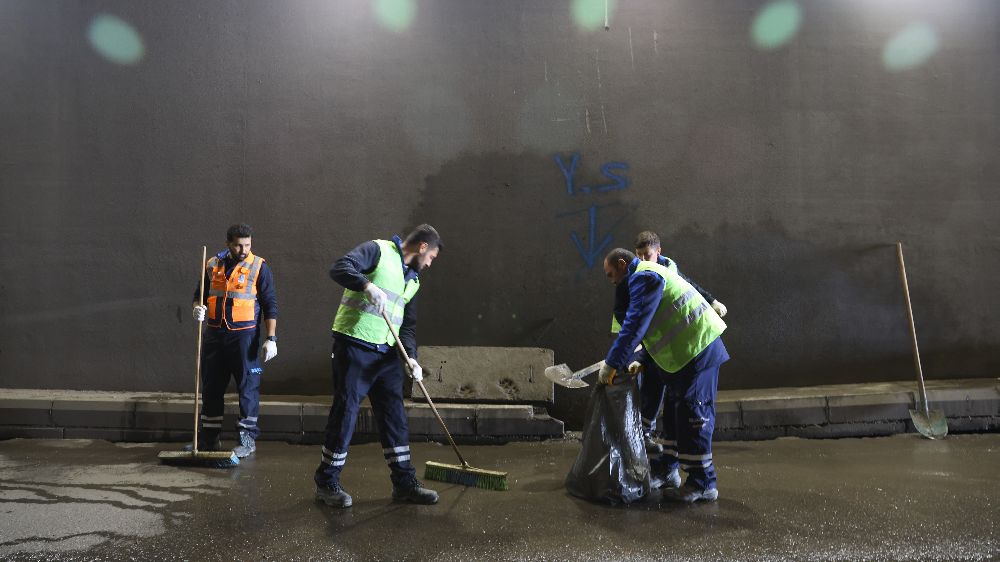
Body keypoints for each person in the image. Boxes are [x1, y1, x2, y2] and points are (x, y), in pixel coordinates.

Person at [314, 224, 442, 508]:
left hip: (386, 355)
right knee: (346, 413)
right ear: (422, 247)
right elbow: (340, 267)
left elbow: (407, 327)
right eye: (431, 257)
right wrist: (366, 285)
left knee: (394, 415)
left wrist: (411, 358)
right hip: (354, 346)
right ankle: (326, 482)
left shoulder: (414, 281)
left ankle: (404, 482)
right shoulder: (378, 250)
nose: (430, 263)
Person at [599, 247, 729, 503]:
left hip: (698, 349)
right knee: (673, 414)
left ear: (623, 264)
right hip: (682, 356)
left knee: (694, 416)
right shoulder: (640, 279)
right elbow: (651, 329)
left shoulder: (644, 278)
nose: (611, 280)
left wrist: (613, 363)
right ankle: (668, 470)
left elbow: (636, 325)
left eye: (611, 274)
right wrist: (640, 360)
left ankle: (704, 483)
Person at [630, 231, 727, 460]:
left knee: (684, 406)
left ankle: (693, 474)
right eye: (640, 255)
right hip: (662, 350)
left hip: (682, 350)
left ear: (659, 252)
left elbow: (690, 286)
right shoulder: (639, 276)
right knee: (660, 396)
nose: (644, 260)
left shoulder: (668, 271)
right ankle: (649, 436)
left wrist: (711, 300)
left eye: (648, 255)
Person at [191, 223, 278, 458]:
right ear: (228, 243)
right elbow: (199, 295)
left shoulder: (259, 266)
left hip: (244, 337)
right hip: (214, 336)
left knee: (248, 388)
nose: (243, 249)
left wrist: (271, 338)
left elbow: (270, 305)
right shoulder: (212, 264)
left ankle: (247, 439)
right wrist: (198, 309)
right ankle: (209, 439)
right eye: (239, 245)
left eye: (247, 245)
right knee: (211, 387)